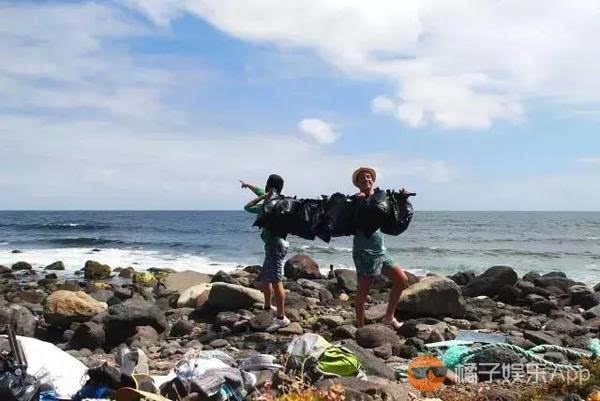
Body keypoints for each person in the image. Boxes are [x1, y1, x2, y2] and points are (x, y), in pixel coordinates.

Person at [351, 167, 409, 330]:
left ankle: (389, 317)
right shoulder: (355, 200)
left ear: (373, 180)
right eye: (362, 178)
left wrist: (402, 199)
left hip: (381, 251)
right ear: (357, 183)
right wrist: (360, 203)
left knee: (401, 279)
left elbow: (393, 215)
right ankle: (361, 329)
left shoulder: (380, 199)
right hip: (365, 252)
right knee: (363, 292)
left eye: (369, 177)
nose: (366, 179)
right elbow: (355, 221)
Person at [240, 174, 291, 332]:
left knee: (276, 280)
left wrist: (263, 196)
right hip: (274, 245)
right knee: (266, 278)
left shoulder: (269, 206)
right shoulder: (280, 200)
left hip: (275, 246)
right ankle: (268, 307)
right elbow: (260, 191)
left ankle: (282, 318)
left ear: (269, 188)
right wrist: (248, 185)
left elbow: (248, 207)